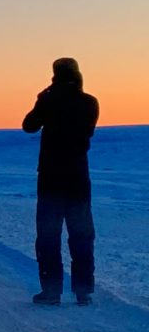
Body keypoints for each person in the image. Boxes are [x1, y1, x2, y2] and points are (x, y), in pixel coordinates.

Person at [22, 57, 99, 306]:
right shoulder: (89, 102)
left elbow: (29, 126)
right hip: (78, 179)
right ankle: (83, 290)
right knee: (81, 235)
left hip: (51, 180)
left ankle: (52, 290)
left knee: (48, 235)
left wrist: (43, 97)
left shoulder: (49, 100)